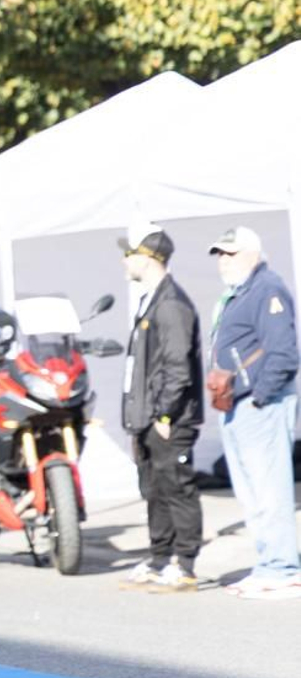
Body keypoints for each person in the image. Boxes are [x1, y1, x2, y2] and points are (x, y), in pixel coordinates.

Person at [208, 226, 301, 599]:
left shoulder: (267, 290)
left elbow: (284, 352)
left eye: (230, 254)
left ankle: (282, 568)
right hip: (238, 404)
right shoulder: (241, 292)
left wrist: (260, 397)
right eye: (220, 254)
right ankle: (268, 564)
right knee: (252, 492)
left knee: (269, 489)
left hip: (260, 403)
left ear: (251, 253)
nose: (222, 262)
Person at [117, 225, 205, 592]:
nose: (125, 260)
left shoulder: (170, 304)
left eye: (130, 253)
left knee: (176, 487)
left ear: (150, 258)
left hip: (168, 418)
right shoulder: (150, 298)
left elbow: (177, 367)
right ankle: (158, 558)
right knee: (154, 488)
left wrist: (165, 414)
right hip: (147, 417)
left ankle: (184, 564)